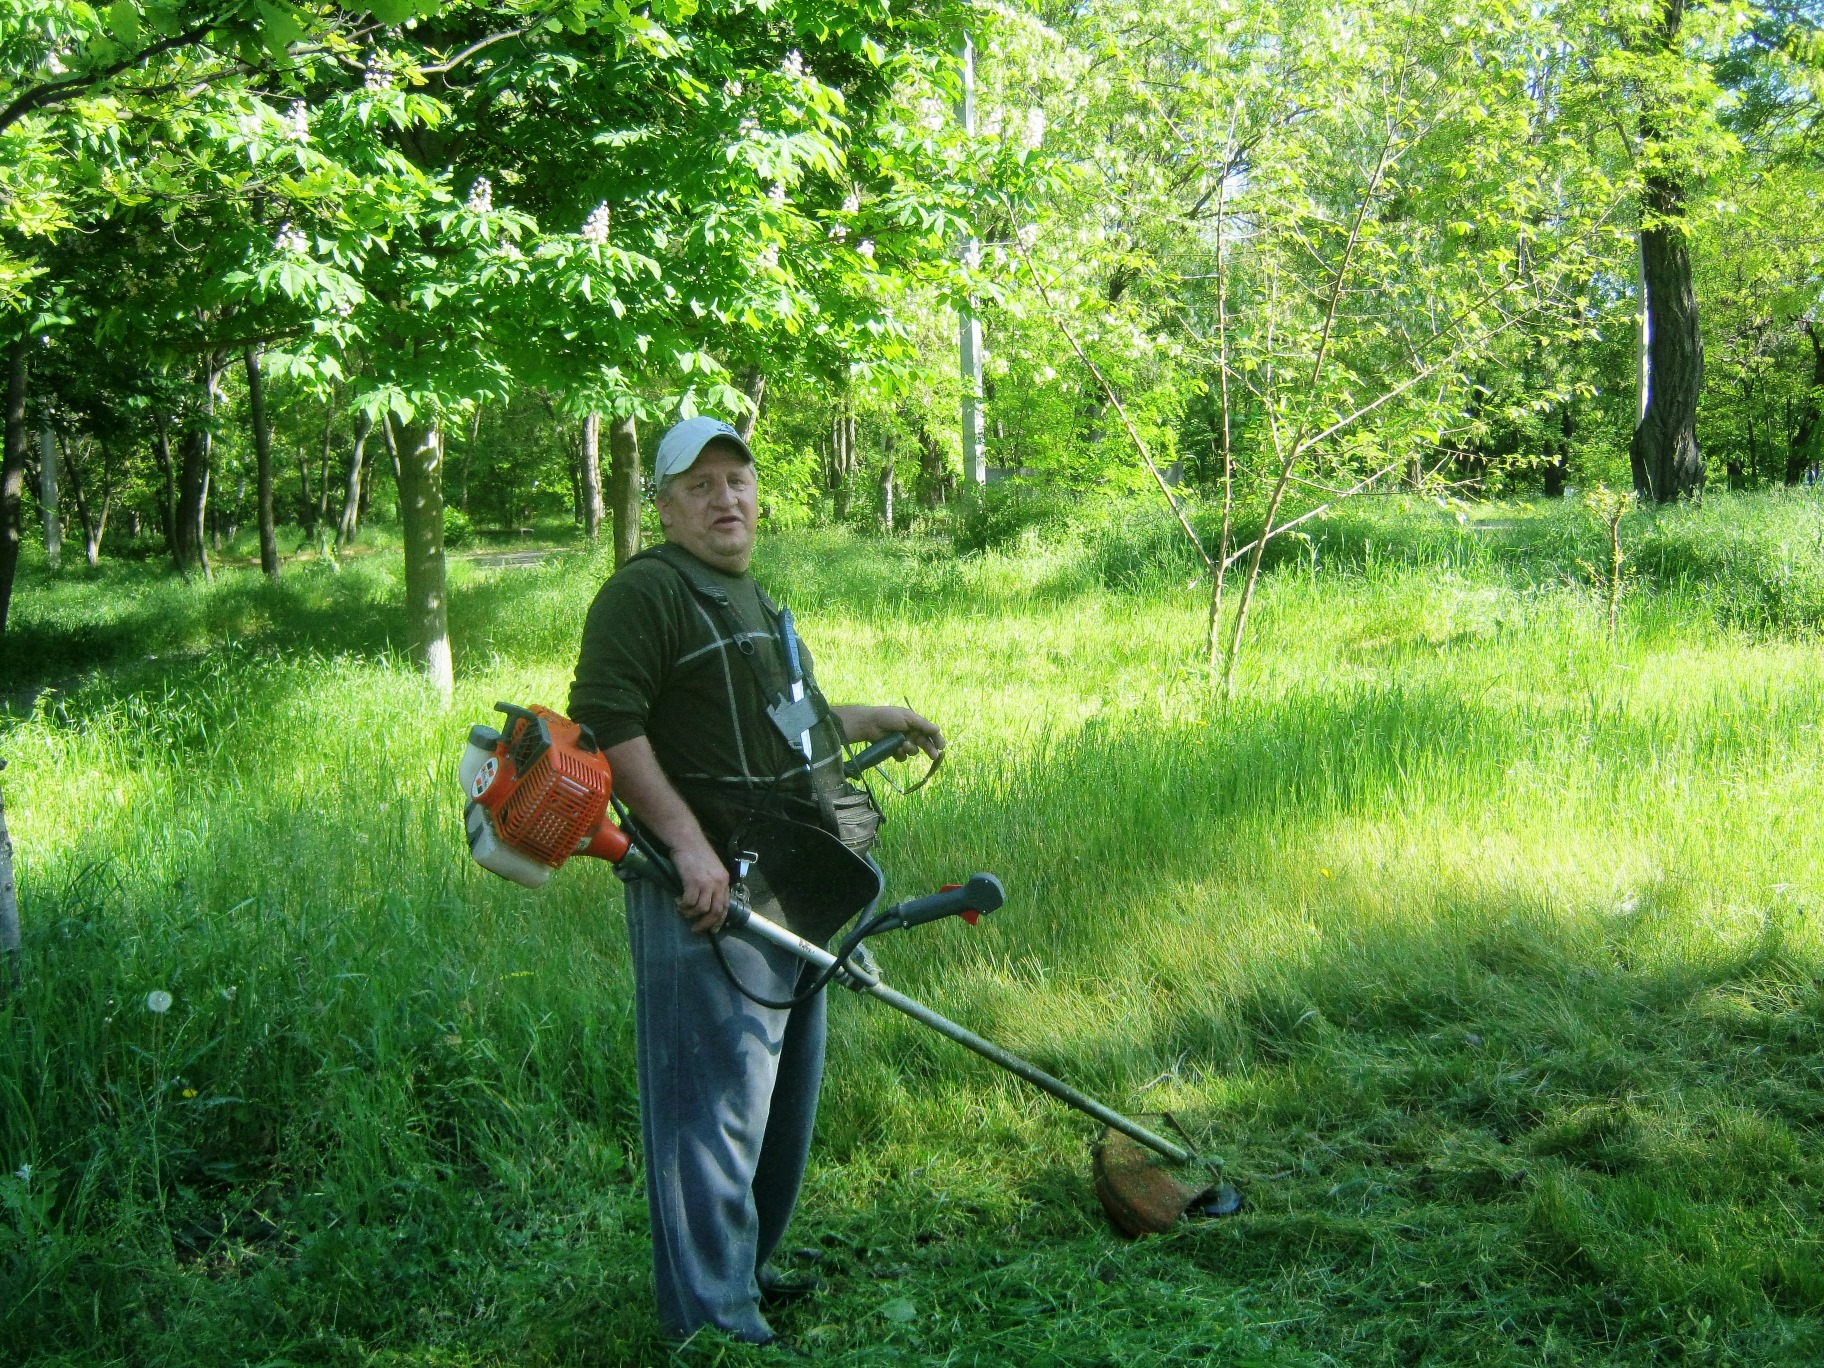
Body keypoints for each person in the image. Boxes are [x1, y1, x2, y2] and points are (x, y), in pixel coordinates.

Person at [567, 416, 943, 1345]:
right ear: (664, 505)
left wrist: (873, 716)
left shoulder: (748, 596)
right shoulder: (646, 592)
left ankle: (749, 1270)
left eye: (736, 480)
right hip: (709, 887)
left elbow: (788, 720)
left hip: (795, 873)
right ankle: (713, 1321)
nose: (724, 499)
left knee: (780, 1098)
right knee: (714, 1110)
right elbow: (609, 724)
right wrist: (688, 847)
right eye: (699, 486)